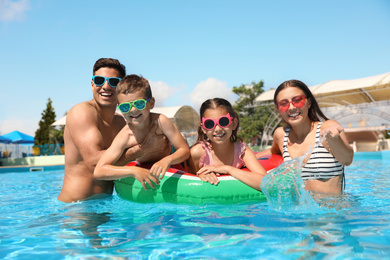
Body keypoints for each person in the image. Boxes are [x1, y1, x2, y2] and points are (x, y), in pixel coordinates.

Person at [256, 80, 354, 194]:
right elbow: (272, 152)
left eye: (297, 100)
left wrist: (336, 140)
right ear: (278, 108)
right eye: (284, 104)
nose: (291, 107)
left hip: (333, 210)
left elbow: (347, 160)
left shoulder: (327, 128)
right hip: (297, 211)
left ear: (308, 102)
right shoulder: (281, 135)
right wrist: (245, 160)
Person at [94, 74, 190, 189]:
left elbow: (184, 150)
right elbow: (99, 171)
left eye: (139, 104)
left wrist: (167, 160)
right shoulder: (126, 135)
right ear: (120, 108)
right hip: (143, 165)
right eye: (125, 107)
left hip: (173, 162)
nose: (133, 110)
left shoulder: (160, 122)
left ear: (151, 103)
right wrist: (133, 171)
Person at [58, 58, 132, 203]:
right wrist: (143, 149)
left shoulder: (120, 123)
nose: (105, 86)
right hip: (77, 209)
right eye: (99, 80)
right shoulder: (82, 112)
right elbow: (93, 161)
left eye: (114, 82)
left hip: (104, 207)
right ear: (92, 84)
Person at [188, 98, 267, 191]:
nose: (217, 129)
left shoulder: (242, 152)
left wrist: (227, 169)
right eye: (210, 124)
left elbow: (266, 183)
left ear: (233, 123)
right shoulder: (197, 153)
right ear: (204, 129)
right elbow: (190, 180)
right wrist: (200, 175)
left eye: (223, 122)